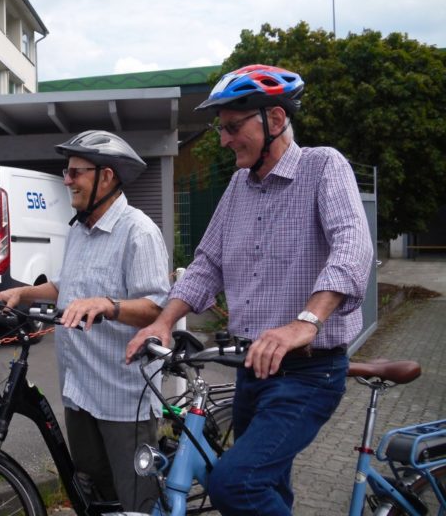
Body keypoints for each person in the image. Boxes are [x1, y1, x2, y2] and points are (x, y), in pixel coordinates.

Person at [126, 64, 374, 515]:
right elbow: (207, 265)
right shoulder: (239, 186)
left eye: (233, 127)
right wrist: (163, 322)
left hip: (307, 373)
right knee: (267, 490)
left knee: (235, 484)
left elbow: (352, 247)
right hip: (252, 371)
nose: (223, 139)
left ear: (275, 120)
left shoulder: (323, 166)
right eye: (221, 129)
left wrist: (306, 322)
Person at [0, 130, 170, 512]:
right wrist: (24, 292)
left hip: (123, 399)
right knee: (96, 496)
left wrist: (108, 305)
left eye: (76, 172)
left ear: (106, 176)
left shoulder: (138, 232)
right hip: (80, 390)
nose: (67, 180)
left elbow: (157, 308)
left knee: (136, 502)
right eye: (67, 171)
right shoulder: (79, 229)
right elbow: (68, 287)